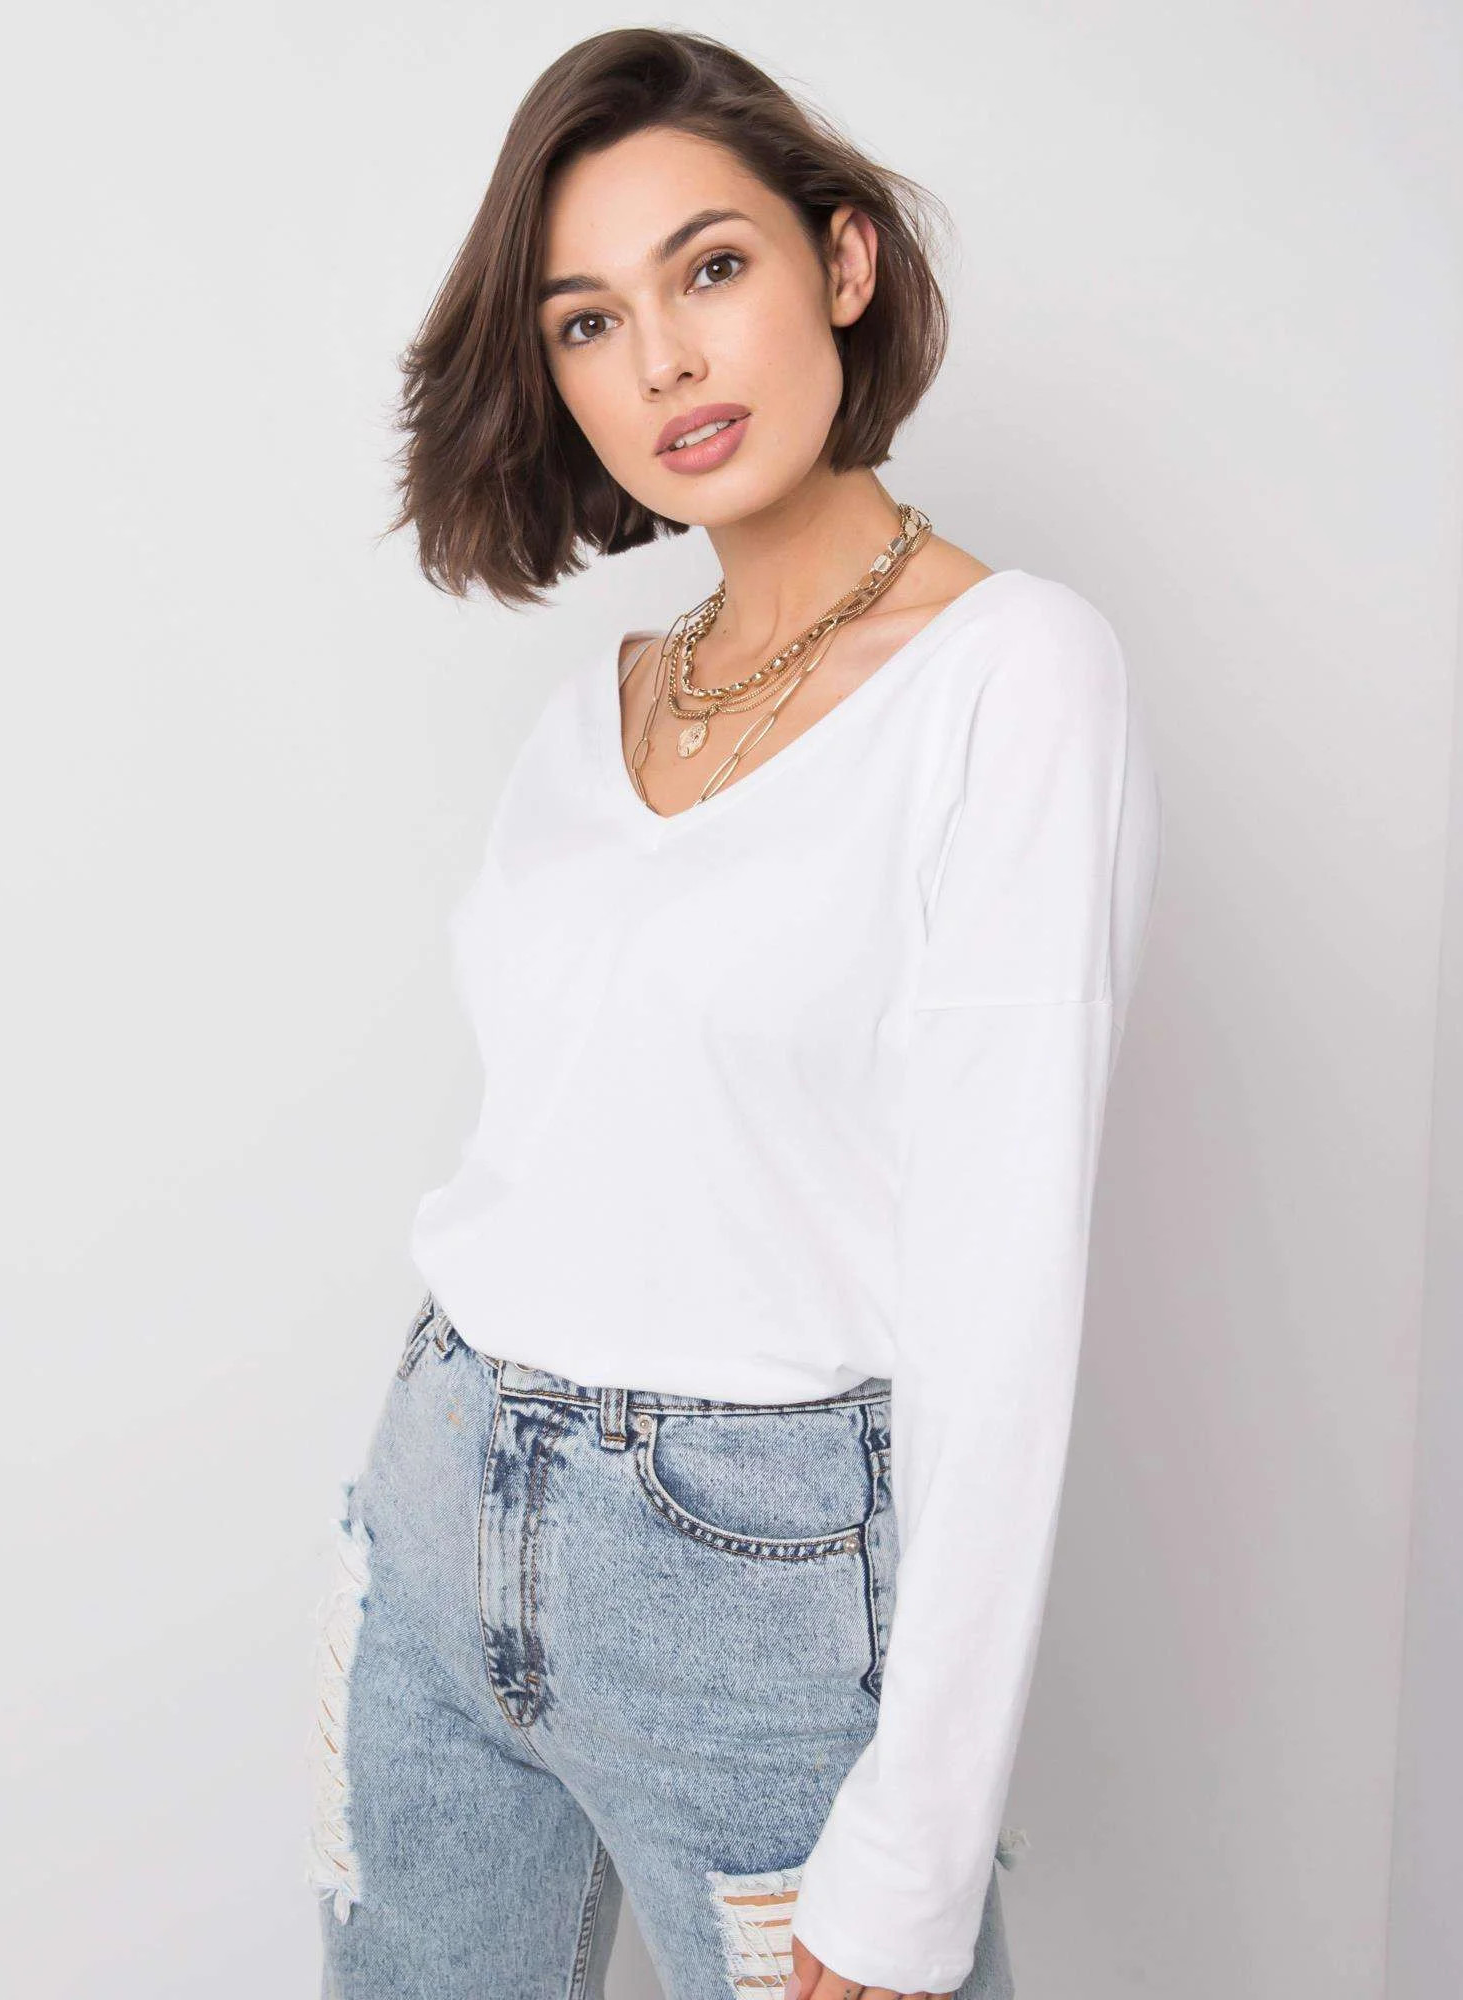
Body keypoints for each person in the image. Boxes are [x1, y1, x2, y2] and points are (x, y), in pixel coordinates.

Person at [305, 27, 1163, 2000]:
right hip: (438, 1500)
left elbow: (1002, 1289)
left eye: (711, 268)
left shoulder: (1014, 677)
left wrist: (913, 1861)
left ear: (840, 262)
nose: (667, 363)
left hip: (748, 1580)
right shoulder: (592, 711)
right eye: (590, 321)